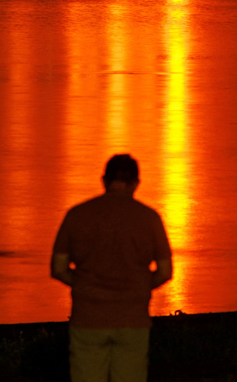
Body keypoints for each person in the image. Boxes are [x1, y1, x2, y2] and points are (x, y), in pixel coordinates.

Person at [51, 153, 175, 382]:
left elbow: (58, 268)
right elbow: (165, 271)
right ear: (136, 183)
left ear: (104, 180)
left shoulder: (77, 215)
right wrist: (140, 287)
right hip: (132, 318)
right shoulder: (149, 218)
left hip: (88, 318)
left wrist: (82, 283)